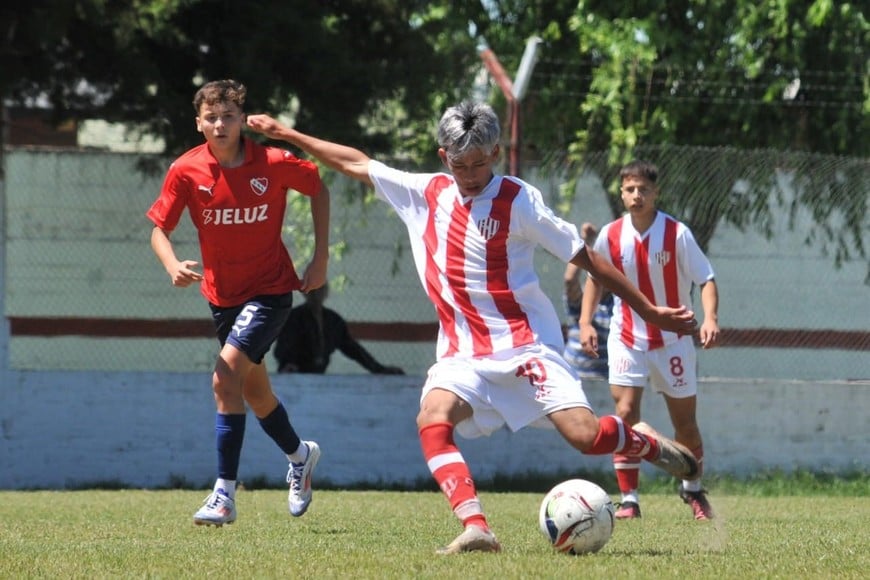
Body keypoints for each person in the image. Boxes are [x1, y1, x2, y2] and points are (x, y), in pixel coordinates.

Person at [246, 101, 700, 554]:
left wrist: (651, 311)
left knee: (586, 437)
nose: (470, 173)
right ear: (444, 157)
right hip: (462, 355)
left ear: (496, 153)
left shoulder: (519, 200)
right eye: (460, 164)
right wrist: (288, 134)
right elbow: (356, 162)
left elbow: (588, 258)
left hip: (525, 348)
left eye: (480, 163)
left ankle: (641, 442)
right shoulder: (425, 192)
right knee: (432, 417)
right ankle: (476, 526)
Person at [146, 79, 329, 527]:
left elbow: (319, 188)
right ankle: (300, 455)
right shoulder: (186, 170)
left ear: (242, 120)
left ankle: (224, 495)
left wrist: (319, 258)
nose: (220, 124)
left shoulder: (273, 162)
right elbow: (158, 229)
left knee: (223, 377)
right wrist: (170, 263)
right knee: (253, 392)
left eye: (228, 115)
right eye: (211, 117)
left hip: (269, 291)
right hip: (222, 297)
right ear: (199, 124)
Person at [579, 159, 720, 521]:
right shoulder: (610, 235)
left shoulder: (677, 234)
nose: (637, 195)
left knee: (685, 423)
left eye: (644, 189)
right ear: (621, 193)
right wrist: (586, 323)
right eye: (630, 189)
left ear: (656, 193)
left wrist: (710, 319)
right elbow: (595, 279)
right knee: (624, 414)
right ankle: (629, 500)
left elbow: (706, 278)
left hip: (673, 340)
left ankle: (692, 490)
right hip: (627, 338)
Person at [274, 283, 405, 375]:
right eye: (312, 290)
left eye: (320, 289)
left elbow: (352, 348)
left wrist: (378, 369)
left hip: (319, 376)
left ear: (326, 292)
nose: (316, 294)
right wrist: (287, 363)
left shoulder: (333, 321)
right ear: (305, 293)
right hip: (296, 375)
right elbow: (284, 346)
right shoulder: (294, 318)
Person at [562, 222, 614, 379]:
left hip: (607, 379)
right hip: (576, 376)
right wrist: (585, 242)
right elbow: (570, 279)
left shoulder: (618, 303)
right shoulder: (581, 301)